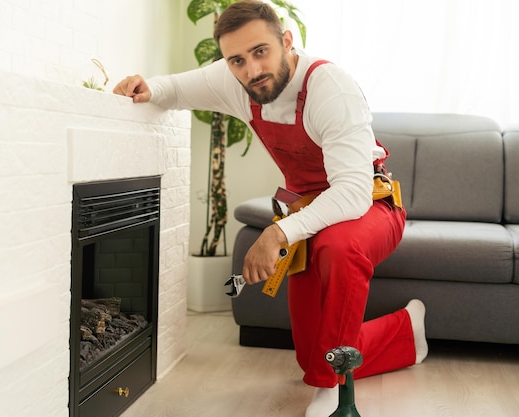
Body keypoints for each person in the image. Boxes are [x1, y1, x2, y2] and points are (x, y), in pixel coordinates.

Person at [113, 1, 428, 415]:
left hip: (368, 205)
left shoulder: (329, 87)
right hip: (308, 211)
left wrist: (279, 233)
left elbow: (351, 191)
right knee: (310, 355)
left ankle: (333, 386)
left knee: (337, 246)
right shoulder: (237, 79)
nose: (252, 70)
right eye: (237, 60)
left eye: (261, 51)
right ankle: (404, 331)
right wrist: (143, 87)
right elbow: (173, 88)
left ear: (286, 41)